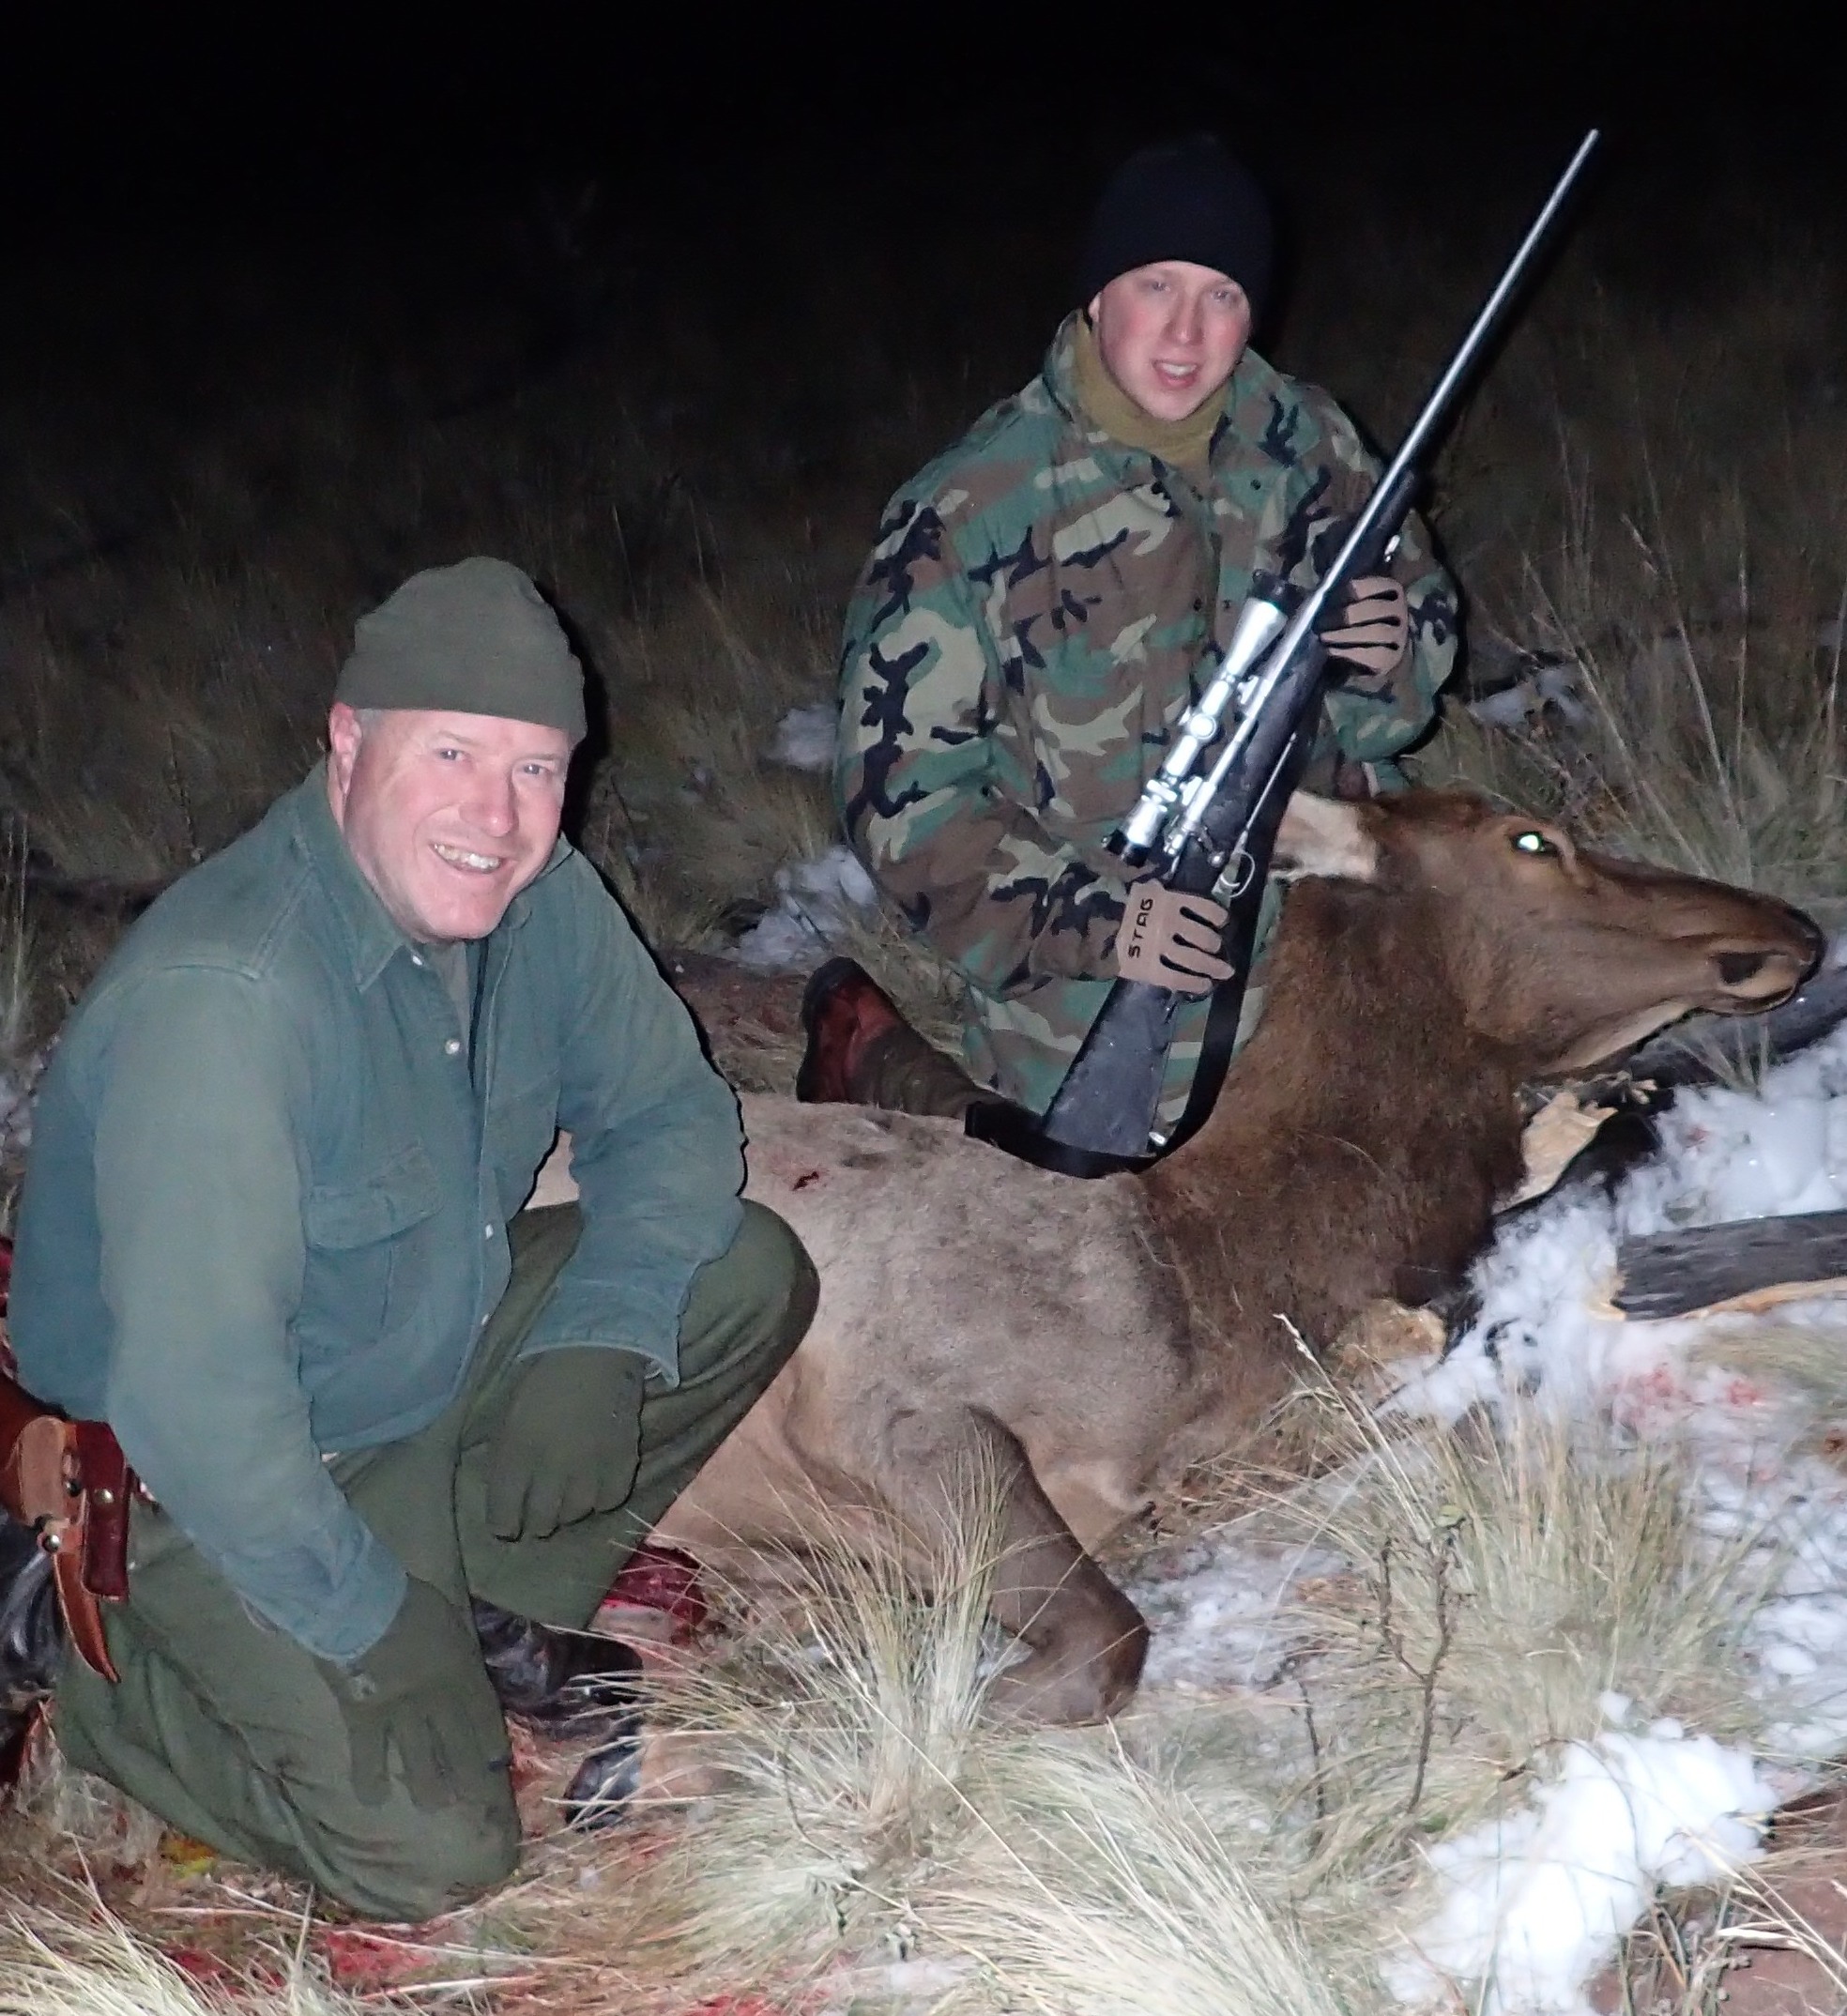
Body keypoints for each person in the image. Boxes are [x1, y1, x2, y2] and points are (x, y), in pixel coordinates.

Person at [4, 557, 817, 1919]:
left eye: (538, 769)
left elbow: (671, 1117)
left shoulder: (535, 895)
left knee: (742, 1270)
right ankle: (106, 1682)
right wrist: (372, 1630)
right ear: (347, 741)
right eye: (452, 754)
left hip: (404, 1376)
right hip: (193, 1494)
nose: (496, 818)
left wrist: (602, 1341)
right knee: (441, 1856)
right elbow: (199, 1410)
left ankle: (477, 1611)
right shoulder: (230, 1001)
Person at [806, 136, 1460, 1125]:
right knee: (1072, 1218)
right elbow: (903, 809)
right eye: (1156, 285)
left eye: (1223, 296)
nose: (1187, 334)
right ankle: (874, 1052)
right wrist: (1107, 925)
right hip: (1082, 983)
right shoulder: (969, 506)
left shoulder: (1311, 442)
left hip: (1328, 943)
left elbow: (1410, 678)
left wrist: (1391, 655)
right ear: (1096, 296)